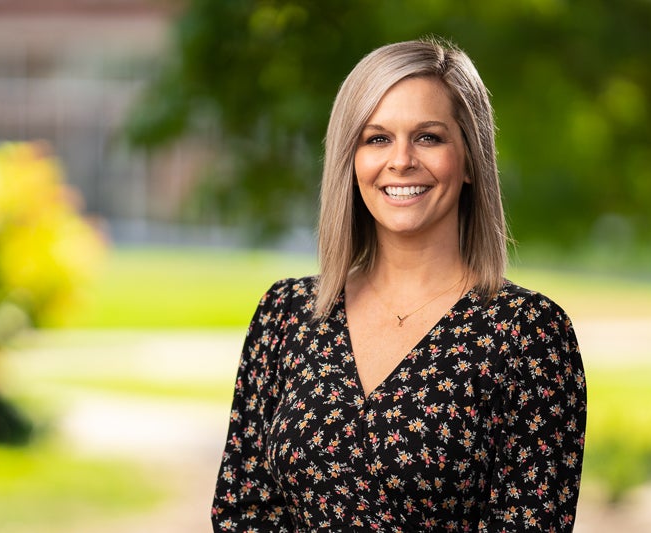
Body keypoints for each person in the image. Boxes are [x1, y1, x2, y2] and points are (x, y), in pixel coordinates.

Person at [211, 37, 587, 532]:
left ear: (471, 159)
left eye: (428, 137)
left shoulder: (527, 336)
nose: (402, 160)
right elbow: (243, 511)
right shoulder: (287, 314)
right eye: (376, 138)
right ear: (351, 160)